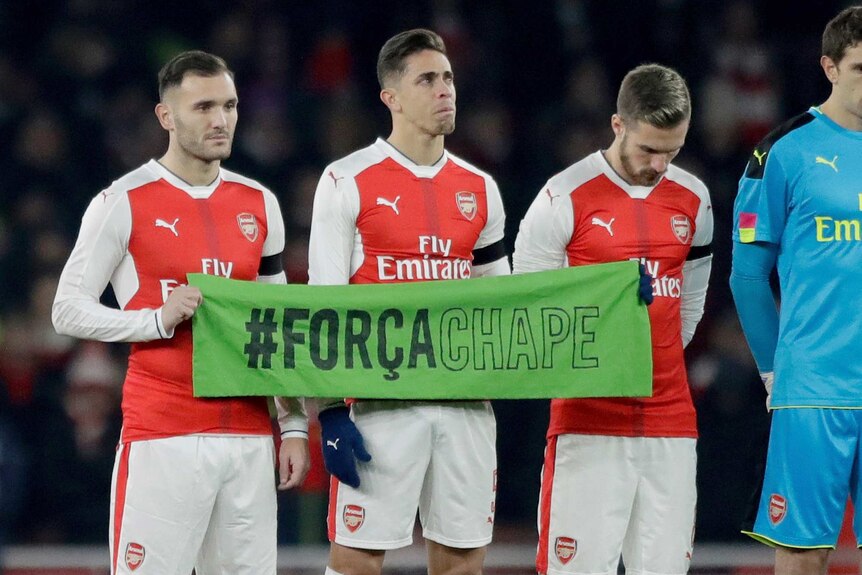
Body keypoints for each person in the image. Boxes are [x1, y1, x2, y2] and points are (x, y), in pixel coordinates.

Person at [52, 50, 309, 574]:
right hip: (162, 434)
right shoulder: (122, 201)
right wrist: (154, 319)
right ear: (166, 117)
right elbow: (66, 311)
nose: (221, 120)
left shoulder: (260, 203)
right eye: (204, 107)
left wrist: (295, 426)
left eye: (230, 105)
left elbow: (277, 325)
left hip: (250, 440)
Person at [307, 29, 510, 575]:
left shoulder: (481, 189)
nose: (445, 89)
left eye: (447, 77)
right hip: (380, 403)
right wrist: (327, 410)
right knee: (356, 560)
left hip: (465, 403)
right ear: (390, 97)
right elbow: (325, 305)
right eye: (427, 79)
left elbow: (506, 302)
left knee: (462, 563)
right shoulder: (346, 180)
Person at [514, 63, 713, 575]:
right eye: (649, 149)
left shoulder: (694, 199)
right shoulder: (563, 196)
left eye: (673, 149)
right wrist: (610, 317)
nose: (660, 163)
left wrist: (650, 356)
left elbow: (687, 311)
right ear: (617, 125)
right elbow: (527, 313)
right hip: (588, 423)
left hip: (671, 423)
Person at [730, 6, 862, 574]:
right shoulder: (783, 151)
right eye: (861, 68)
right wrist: (771, 369)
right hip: (814, 386)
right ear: (829, 67)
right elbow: (748, 274)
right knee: (804, 553)